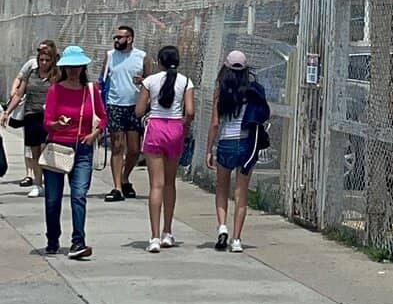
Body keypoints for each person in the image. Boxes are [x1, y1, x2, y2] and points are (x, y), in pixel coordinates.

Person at [42, 44, 107, 259]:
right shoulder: (55, 90)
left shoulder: (91, 90)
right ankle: (53, 238)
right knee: (53, 198)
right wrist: (58, 124)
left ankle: (78, 241)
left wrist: (94, 134)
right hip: (58, 148)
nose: (73, 70)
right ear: (63, 68)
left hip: (82, 149)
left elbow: (103, 117)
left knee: (79, 195)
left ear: (83, 67)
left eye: (77, 66)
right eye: (69, 67)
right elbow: (47, 122)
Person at [206, 50, 270, 254]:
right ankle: (237, 239)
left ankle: (222, 226)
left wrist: (209, 149)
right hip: (245, 145)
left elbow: (215, 123)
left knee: (222, 188)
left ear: (225, 68)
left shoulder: (220, 91)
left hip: (225, 143)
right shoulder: (251, 92)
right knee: (241, 193)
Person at [135, 45, 194, 253]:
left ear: (159, 61)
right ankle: (168, 231)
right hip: (175, 128)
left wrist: (148, 101)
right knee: (170, 183)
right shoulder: (185, 81)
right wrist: (184, 129)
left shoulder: (149, 81)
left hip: (156, 128)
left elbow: (139, 110)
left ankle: (154, 236)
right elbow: (190, 111)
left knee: (156, 185)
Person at [1, 41, 59, 195]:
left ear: (52, 61)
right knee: (34, 151)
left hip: (49, 117)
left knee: (46, 149)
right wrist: (7, 112)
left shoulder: (57, 75)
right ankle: (38, 184)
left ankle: (50, 182)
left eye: (47, 60)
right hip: (31, 114)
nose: (44, 63)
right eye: (41, 60)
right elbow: (19, 94)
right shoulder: (31, 73)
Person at [102, 24, 149, 202]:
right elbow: (103, 79)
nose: (116, 40)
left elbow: (150, 82)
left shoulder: (142, 57)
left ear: (129, 39)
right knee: (117, 147)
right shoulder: (110, 56)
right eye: (115, 37)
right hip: (114, 104)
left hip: (135, 106)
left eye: (120, 37)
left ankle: (124, 177)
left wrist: (142, 81)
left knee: (134, 149)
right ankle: (117, 187)